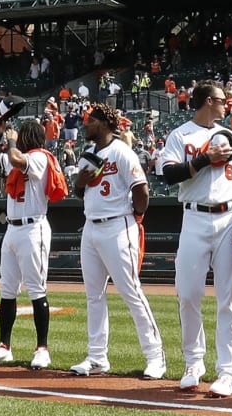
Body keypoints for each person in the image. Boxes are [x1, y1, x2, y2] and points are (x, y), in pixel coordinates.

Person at [152, 81, 232, 398]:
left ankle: (227, 372)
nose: (228, 104)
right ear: (209, 101)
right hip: (194, 217)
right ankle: (193, 364)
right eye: (224, 100)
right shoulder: (181, 135)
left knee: (229, 298)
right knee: (189, 293)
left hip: (228, 217)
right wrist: (203, 160)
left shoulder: (228, 133)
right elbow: (167, 175)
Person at [69, 104, 163, 378]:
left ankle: (155, 356)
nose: (86, 125)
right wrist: (80, 183)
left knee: (131, 292)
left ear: (104, 124)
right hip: (91, 227)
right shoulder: (87, 155)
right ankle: (97, 357)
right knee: (93, 295)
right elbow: (79, 194)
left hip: (118, 225)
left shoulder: (122, 151)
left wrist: (135, 217)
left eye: (91, 121)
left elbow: (141, 191)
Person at [0, 115, 59, 370]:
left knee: (36, 289)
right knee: (7, 289)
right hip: (13, 228)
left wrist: (12, 140)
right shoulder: (19, 157)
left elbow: (15, 158)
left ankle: (42, 348)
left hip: (33, 227)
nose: (20, 138)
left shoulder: (39, 157)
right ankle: (4, 346)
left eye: (23, 135)